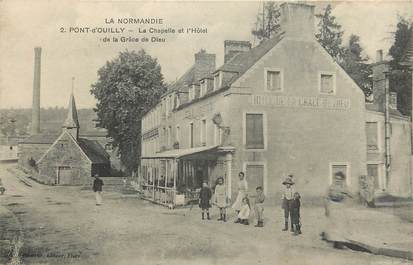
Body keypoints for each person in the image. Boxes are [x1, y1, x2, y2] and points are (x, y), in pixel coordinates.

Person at [323, 171, 355, 248]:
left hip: (341, 206)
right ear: (334, 179)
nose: (338, 180)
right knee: (333, 224)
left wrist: (345, 192)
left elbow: (352, 195)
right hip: (332, 205)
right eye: (336, 179)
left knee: (341, 224)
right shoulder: (331, 187)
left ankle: (340, 242)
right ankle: (334, 242)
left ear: (343, 180)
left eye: (340, 179)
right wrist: (326, 209)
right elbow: (325, 197)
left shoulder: (344, 187)